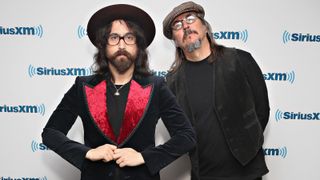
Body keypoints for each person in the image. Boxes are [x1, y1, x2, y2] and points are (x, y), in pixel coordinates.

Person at [42, 4, 196, 180]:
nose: (121, 44)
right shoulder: (82, 86)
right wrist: (87, 153)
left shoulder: (157, 86)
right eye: (114, 37)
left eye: (129, 37)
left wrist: (143, 157)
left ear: (138, 46)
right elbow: (50, 133)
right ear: (103, 46)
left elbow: (186, 136)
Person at [162, 1, 270, 180]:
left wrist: (247, 146)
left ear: (205, 27)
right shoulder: (171, 82)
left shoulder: (239, 60)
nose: (186, 26)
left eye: (190, 18)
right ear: (175, 41)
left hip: (247, 173)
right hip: (204, 175)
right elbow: (179, 131)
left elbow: (262, 110)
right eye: (177, 25)